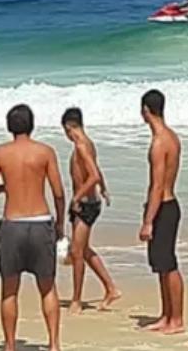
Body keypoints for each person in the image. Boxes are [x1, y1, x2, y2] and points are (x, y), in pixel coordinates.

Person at [0, 104, 67, 351]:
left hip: (12, 225)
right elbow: (59, 193)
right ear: (32, 124)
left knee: (9, 290)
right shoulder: (46, 152)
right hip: (41, 222)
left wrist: (3, 187)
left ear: (9, 126)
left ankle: (9, 345)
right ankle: (54, 344)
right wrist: (59, 223)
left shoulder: (0, 153)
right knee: (48, 287)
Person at [60, 107, 121, 315]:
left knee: (77, 253)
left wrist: (76, 197)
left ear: (69, 127)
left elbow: (92, 175)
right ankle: (111, 288)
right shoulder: (88, 144)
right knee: (84, 251)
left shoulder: (81, 146)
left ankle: (76, 300)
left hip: (85, 205)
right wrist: (103, 188)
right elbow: (96, 171)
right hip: (89, 203)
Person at [140, 89, 184, 334]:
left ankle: (176, 319)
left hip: (164, 206)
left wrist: (148, 221)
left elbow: (157, 185)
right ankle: (166, 315)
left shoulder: (159, 143)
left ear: (146, 110)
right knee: (161, 265)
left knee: (168, 264)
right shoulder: (172, 137)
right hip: (167, 204)